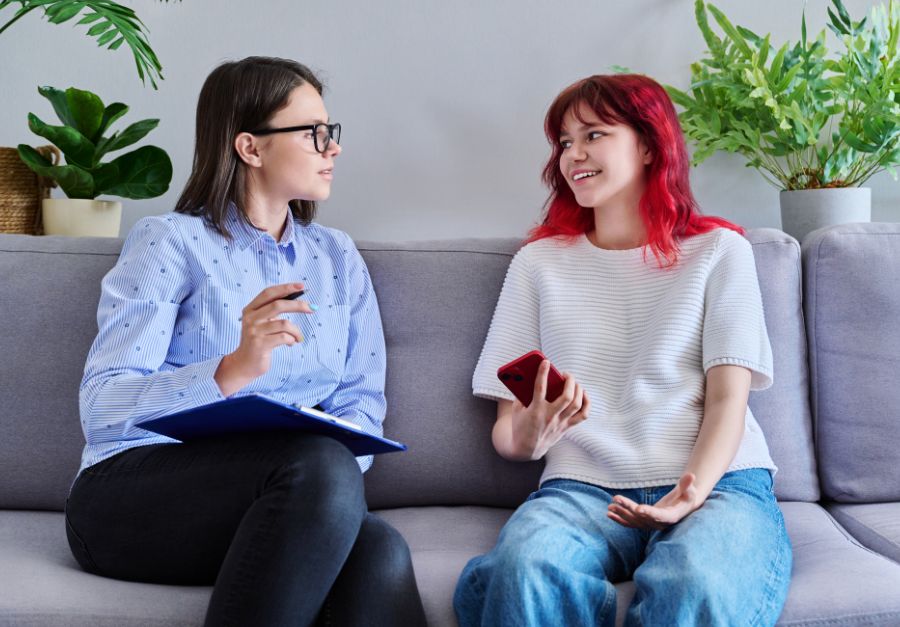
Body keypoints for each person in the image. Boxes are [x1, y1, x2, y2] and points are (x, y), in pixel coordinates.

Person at [65, 56, 426, 627]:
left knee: (379, 548)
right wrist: (232, 367)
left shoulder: (336, 260)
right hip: (131, 497)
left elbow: (362, 402)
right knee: (323, 469)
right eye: (313, 133)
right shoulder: (169, 242)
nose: (332, 148)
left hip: (291, 499)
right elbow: (103, 406)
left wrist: (326, 493)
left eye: (331, 132)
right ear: (250, 148)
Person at [454, 74, 792, 626]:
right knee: (523, 571)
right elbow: (508, 432)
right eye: (564, 142)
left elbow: (728, 402)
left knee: (697, 583)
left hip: (717, 483)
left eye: (593, 135)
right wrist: (531, 434)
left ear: (650, 144)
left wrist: (690, 493)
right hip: (580, 489)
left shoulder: (720, 251)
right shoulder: (538, 264)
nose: (573, 155)